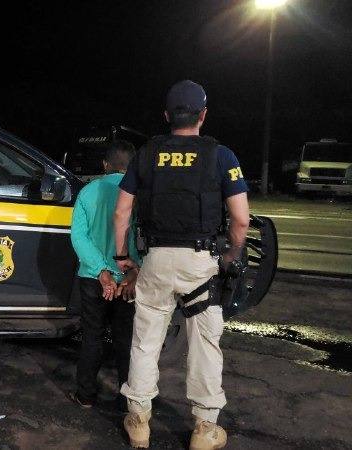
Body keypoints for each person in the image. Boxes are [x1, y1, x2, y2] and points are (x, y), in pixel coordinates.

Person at [113, 80, 250, 449]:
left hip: (156, 260)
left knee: (145, 341)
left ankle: (138, 421)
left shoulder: (146, 154)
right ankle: (204, 429)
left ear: (166, 116)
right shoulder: (222, 156)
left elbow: (122, 212)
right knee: (204, 344)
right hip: (201, 264)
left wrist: (123, 258)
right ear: (203, 115)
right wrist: (230, 257)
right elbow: (240, 220)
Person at [68, 140, 140, 409]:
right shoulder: (138, 194)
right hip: (127, 280)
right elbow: (142, 239)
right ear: (132, 166)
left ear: (105, 165)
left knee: (92, 337)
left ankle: (85, 395)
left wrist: (101, 270)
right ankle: (128, 402)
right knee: (126, 341)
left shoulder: (88, 192)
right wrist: (131, 273)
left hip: (93, 278)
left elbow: (79, 236)